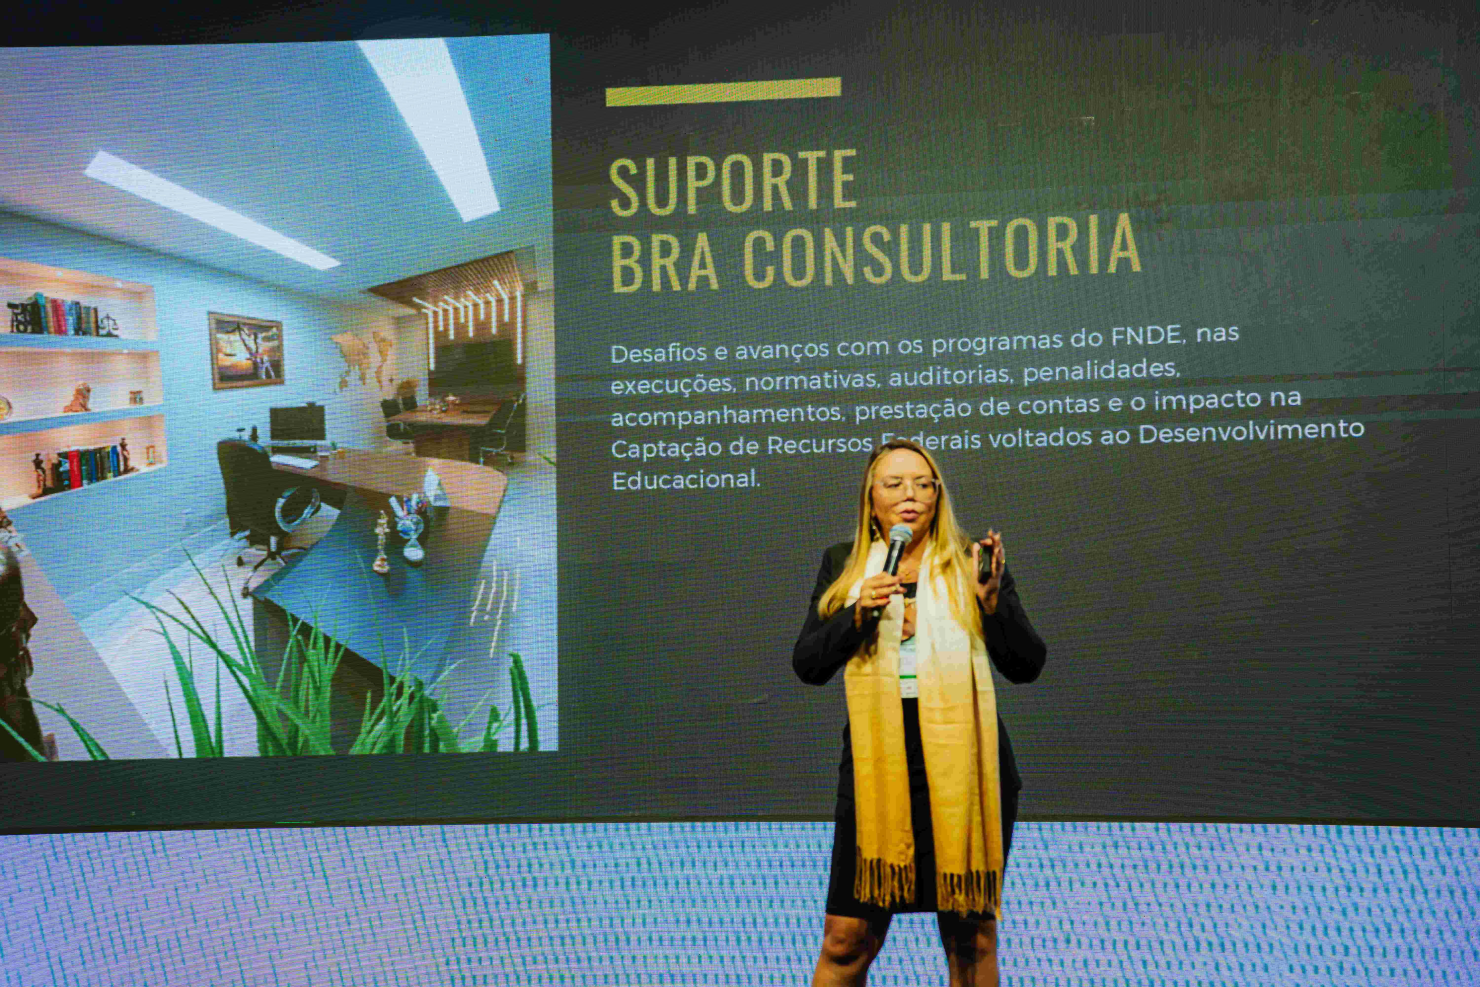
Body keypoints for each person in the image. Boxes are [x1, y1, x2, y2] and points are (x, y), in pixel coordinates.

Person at [793, 438, 1047, 987]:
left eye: (922, 483)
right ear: (872, 499)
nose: (910, 494)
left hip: (966, 765)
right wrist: (858, 614)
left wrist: (992, 605)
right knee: (845, 939)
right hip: (878, 766)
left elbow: (1027, 665)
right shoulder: (845, 563)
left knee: (970, 935)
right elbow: (808, 665)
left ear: (938, 496)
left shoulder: (972, 560)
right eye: (894, 484)